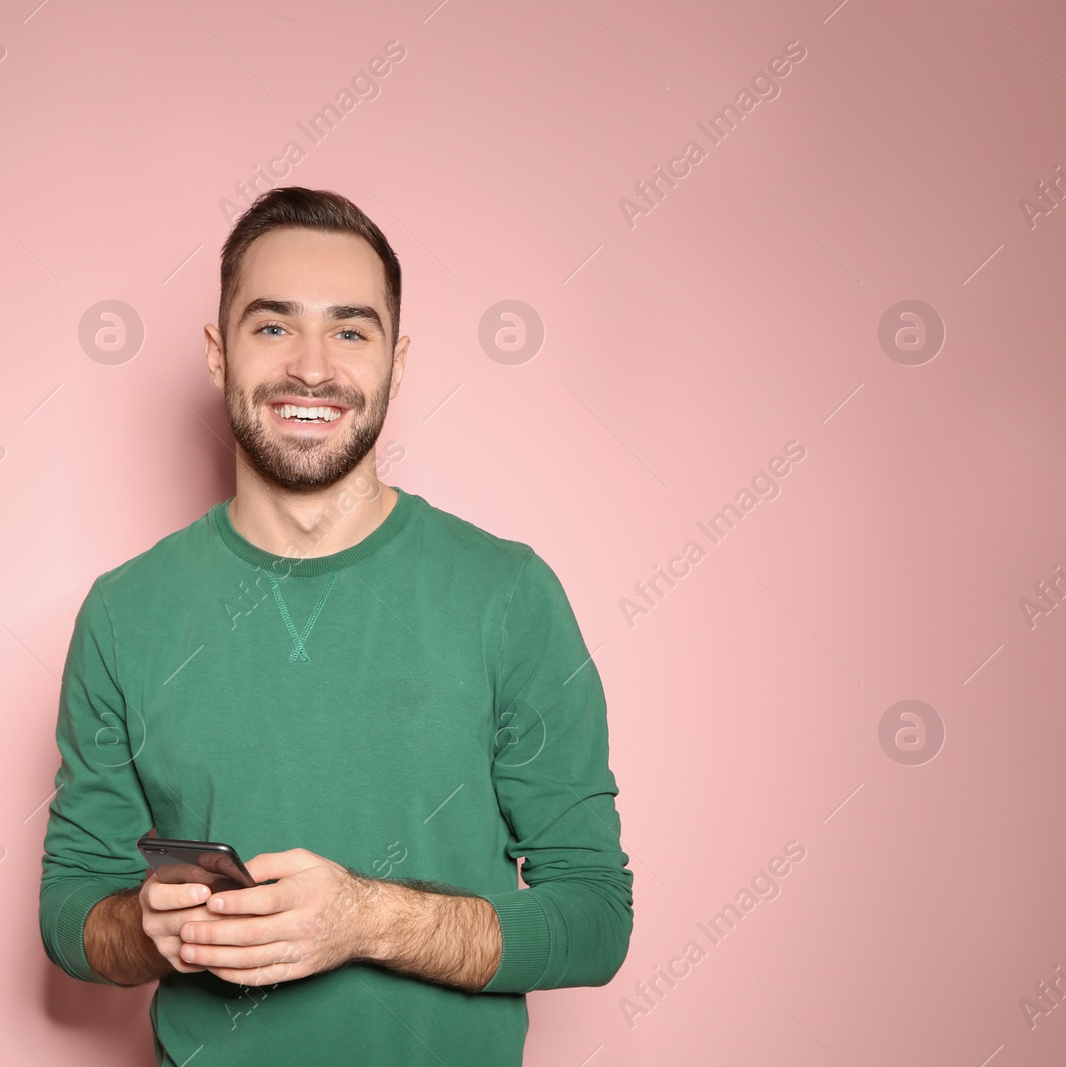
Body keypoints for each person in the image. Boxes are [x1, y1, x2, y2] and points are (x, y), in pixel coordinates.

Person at [39, 186, 632, 1065]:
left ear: (397, 359)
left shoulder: (509, 594)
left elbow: (594, 917)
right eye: (273, 326)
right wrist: (143, 924)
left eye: (350, 331)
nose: (311, 368)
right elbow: (70, 908)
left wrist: (366, 919)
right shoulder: (125, 612)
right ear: (217, 353)